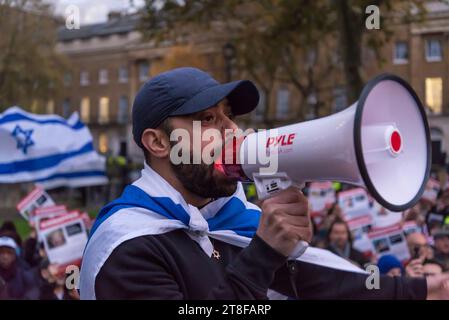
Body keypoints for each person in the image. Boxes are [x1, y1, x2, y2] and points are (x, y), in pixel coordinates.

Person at [80, 67, 449, 300]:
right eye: (207, 119)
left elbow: (321, 284)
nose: (231, 129)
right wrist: (263, 254)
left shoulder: (234, 219)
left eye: (229, 115)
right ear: (158, 143)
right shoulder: (127, 247)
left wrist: (426, 290)